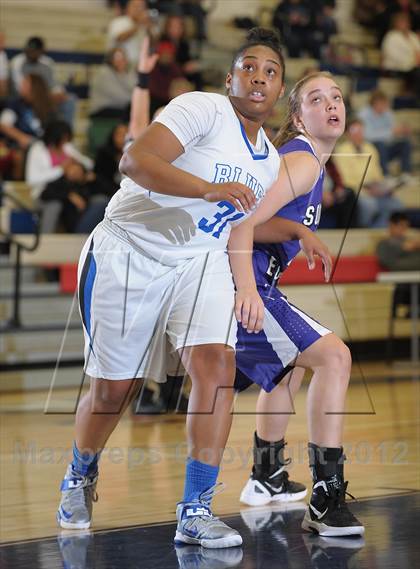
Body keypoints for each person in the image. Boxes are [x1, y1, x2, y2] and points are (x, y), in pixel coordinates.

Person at [56, 27, 301, 548]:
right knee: (113, 390)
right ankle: (80, 471)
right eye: (249, 66)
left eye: (271, 71)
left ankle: (196, 510)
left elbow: (240, 227)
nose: (259, 76)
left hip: (199, 261)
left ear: (280, 90)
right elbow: (135, 162)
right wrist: (206, 188)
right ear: (230, 76)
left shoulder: (270, 161)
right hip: (128, 250)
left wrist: (250, 286)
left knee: (217, 366)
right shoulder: (201, 109)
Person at [228, 72, 365, 536]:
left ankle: (266, 478)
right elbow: (240, 222)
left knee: (288, 364)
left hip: (243, 279)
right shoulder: (302, 160)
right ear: (297, 114)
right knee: (335, 357)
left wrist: (296, 231)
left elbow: (249, 221)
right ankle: (326, 499)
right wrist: (298, 233)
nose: (331, 104)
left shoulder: (311, 163)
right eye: (316, 98)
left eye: (336, 96)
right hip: (242, 281)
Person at [25, 120, 94, 232]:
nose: (65, 141)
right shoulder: (37, 149)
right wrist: (61, 169)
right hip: (46, 192)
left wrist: (78, 164)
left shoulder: (67, 148)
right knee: (55, 204)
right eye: (63, 138)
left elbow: (89, 164)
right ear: (54, 137)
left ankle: (78, 235)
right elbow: (32, 179)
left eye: (67, 138)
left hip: (69, 189)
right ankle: (46, 239)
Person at [334, 118, 403, 228]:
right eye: (354, 131)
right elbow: (344, 180)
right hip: (357, 191)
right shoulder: (341, 151)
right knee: (370, 205)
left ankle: (377, 229)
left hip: (374, 190)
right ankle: (363, 230)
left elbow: (378, 174)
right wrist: (366, 189)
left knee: (396, 204)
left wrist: (383, 188)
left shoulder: (371, 148)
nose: (358, 134)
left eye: (360, 131)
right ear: (347, 133)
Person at [10, 36, 77, 126]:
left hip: (46, 97)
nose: (31, 53)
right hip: (25, 98)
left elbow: (55, 85)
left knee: (70, 100)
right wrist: (43, 96)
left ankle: (64, 135)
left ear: (41, 51)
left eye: (34, 51)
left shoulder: (47, 62)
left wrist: (59, 93)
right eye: (29, 50)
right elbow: (21, 89)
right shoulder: (17, 62)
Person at [358, 90, 413, 176]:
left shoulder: (388, 113)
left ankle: (406, 173)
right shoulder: (364, 114)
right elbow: (367, 136)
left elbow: (393, 134)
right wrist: (391, 132)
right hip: (372, 148)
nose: (383, 106)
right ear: (373, 103)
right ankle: (385, 175)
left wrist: (402, 132)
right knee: (380, 144)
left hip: (387, 147)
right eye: (381, 104)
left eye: (384, 104)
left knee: (405, 143)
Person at [89, 48, 136, 120]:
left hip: (122, 107)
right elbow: (118, 96)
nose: (121, 61)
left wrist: (122, 73)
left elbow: (135, 88)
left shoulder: (128, 72)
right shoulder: (104, 73)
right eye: (117, 58)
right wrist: (137, 100)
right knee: (134, 114)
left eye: (123, 58)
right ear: (110, 60)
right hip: (103, 109)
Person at [107, 0, 150, 67]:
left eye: (141, 7)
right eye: (135, 6)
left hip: (138, 66)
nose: (138, 9)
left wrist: (150, 28)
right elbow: (119, 38)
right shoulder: (118, 22)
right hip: (119, 67)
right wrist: (138, 24)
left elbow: (151, 45)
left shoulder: (144, 26)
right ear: (128, 7)